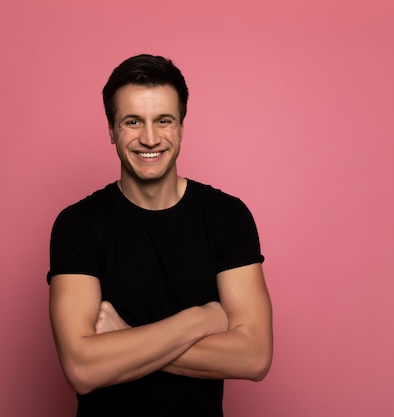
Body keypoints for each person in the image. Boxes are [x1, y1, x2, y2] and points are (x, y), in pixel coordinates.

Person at [47, 54, 273, 417]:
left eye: (163, 121)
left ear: (182, 127)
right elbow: (82, 369)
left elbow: (254, 356)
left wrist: (122, 339)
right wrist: (201, 319)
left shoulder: (227, 217)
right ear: (110, 129)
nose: (150, 138)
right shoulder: (78, 225)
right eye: (132, 121)